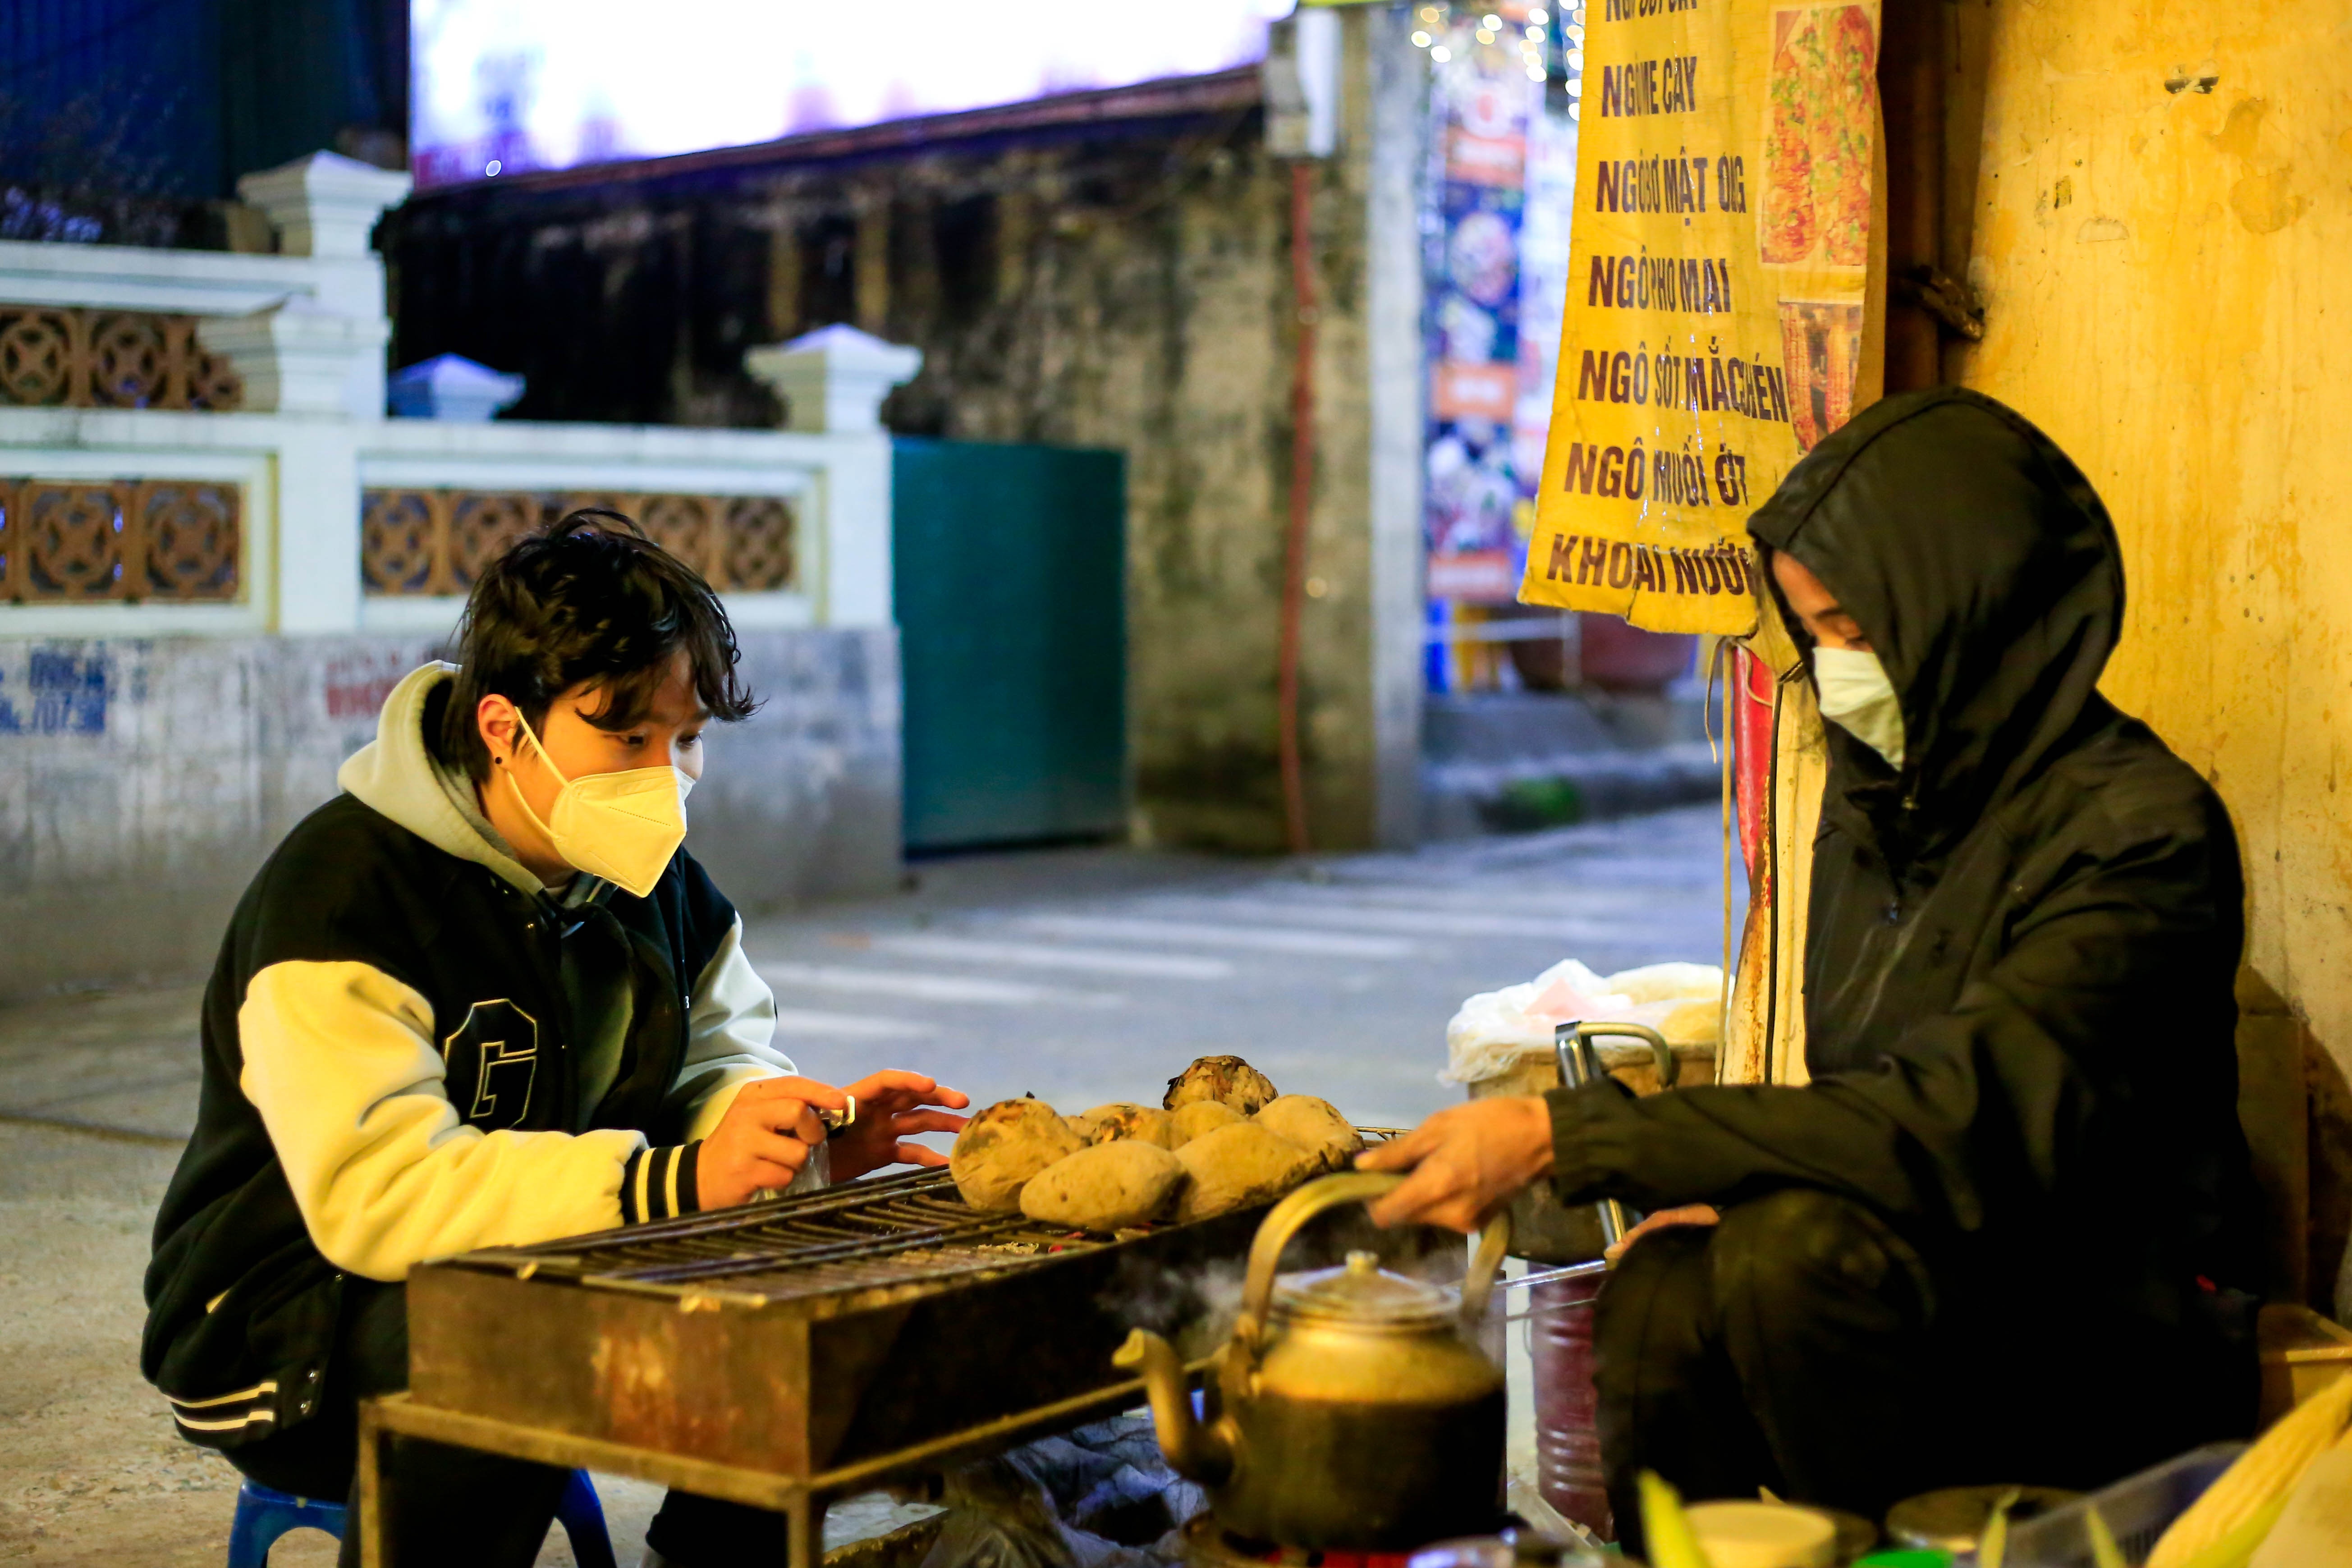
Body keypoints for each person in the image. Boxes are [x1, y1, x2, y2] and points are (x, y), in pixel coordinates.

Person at [1361, 388, 2260, 1541]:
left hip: (2108, 1326)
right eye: (1813, 631)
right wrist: (1717, 1179)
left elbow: (1949, 1124)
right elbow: (1859, 1100)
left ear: (1965, 606)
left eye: (1851, 627)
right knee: (1659, 1285)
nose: (1833, 668)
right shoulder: (1881, 797)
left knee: (1786, 1258)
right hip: (1936, 1273)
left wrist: (1565, 1133)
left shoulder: (2139, 832)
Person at [142, 512, 970, 1567]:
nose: (664, 776)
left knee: (796, 1312)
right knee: (509, 1354)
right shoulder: (344, 894)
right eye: (625, 736)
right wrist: (673, 1182)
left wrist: (790, 1141)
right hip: (286, 1315)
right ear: (502, 725)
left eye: (686, 739)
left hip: (532, 1253)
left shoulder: (651, 879)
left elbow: (718, 1057)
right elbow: (378, 1194)